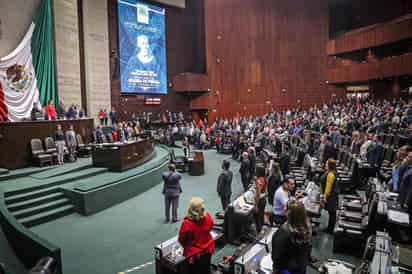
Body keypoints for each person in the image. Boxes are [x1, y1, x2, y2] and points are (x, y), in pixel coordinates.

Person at [271, 200, 312, 274]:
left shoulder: (283, 233)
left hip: (286, 269)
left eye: (286, 208)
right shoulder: (307, 228)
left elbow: (276, 257)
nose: (284, 209)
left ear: (289, 214)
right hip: (301, 266)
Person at [178, 197, 215, 274]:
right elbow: (211, 226)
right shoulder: (208, 217)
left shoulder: (186, 224)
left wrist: (188, 246)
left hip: (194, 255)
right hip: (208, 251)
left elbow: (181, 240)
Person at [320, 159, 338, 233]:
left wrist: (324, 197)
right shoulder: (330, 172)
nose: (325, 164)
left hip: (331, 197)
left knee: (332, 213)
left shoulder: (331, 174)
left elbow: (328, 187)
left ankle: (330, 229)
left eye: (327, 163)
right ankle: (330, 228)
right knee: (331, 213)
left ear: (330, 165)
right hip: (331, 196)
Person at [254, 165, 267, 232]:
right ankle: (261, 229)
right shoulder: (264, 178)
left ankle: (259, 232)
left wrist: (256, 205)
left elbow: (258, 194)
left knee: (257, 218)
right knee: (261, 216)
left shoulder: (259, 180)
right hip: (263, 200)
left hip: (259, 201)